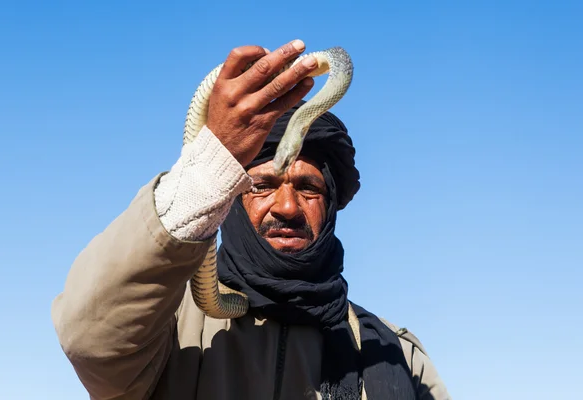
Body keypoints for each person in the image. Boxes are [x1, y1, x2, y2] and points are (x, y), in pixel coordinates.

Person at [51, 39, 451, 400]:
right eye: (261, 186)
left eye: (308, 188)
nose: (288, 207)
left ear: (331, 205)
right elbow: (90, 339)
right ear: (230, 195)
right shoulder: (165, 327)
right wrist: (207, 170)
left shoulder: (395, 355)